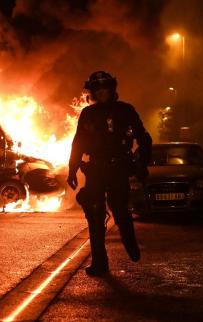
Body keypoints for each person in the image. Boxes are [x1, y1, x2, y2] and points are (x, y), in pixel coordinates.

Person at [67, 71, 152, 276]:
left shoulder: (126, 110)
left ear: (113, 89)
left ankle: (130, 243)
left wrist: (141, 164)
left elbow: (144, 138)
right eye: (99, 89)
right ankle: (100, 263)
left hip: (118, 168)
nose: (103, 92)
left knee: (121, 211)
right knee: (95, 216)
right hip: (96, 169)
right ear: (93, 92)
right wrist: (72, 168)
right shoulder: (88, 114)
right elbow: (78, 143)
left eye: (106, 88)